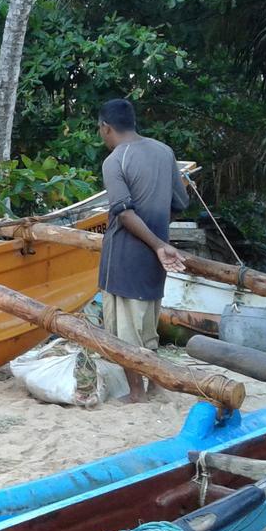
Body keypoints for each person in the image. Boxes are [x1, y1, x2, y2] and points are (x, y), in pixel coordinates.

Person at [96, 98, 190, 403]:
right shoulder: (165, 152)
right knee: (149, 326)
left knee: (125, 333)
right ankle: (155, 386)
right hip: (154, 261)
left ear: (106, 127)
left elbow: (123, 212)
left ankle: (136, 392)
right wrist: (159, 239)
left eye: (100, 130)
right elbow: (180, 203)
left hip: (123, 258)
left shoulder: (115, 161)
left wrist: (157, 244)